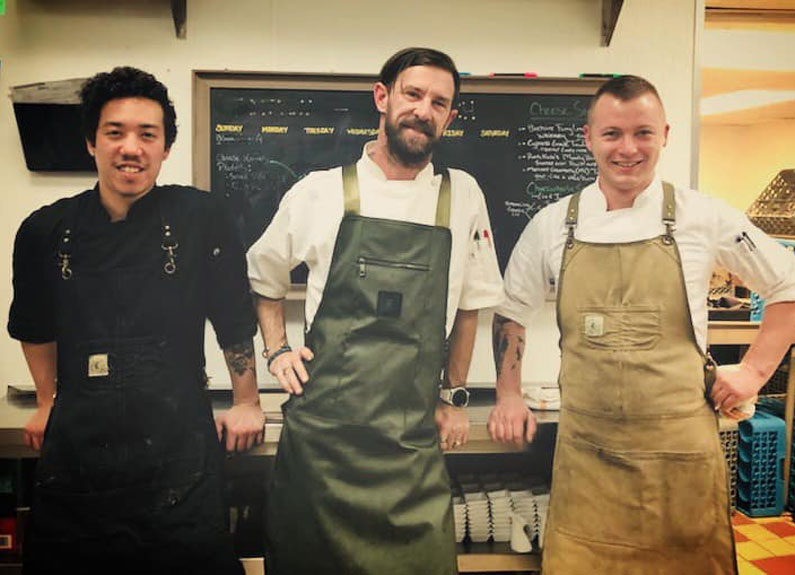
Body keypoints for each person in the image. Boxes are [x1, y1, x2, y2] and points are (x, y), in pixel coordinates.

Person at [488, 75, 795, 574]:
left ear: (665, 135)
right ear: (588, 138)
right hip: (589, 456)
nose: (628, 149)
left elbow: (788, 286)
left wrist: (754, 373)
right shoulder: (552, 224)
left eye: (643, 133)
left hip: (680, 460)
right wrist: (507, 395)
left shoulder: (704, 217)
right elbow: (512, 312)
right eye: (612, 134)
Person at [247, 47, 503, 575]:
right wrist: (276, 352)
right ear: (383, 97)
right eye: (413, 94)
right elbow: (263, 277)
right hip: (323, 442)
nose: (424, 110)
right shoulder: (319, 192)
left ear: (450, 118)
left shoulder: (462, 196)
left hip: (408, 445)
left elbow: (472, 305)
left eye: (440, 102)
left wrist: (453, 397)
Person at [8, 66, 265, 575]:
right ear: (91, 143)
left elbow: (234, 317)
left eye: (148, 135)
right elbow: (34, 326)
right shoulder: (45, 230)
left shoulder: (201, 218)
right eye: (115, 133)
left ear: (166, 148)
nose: (132, 148)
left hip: (178, 454)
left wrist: (247, 401)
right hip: (81, 458)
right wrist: (44, 402)